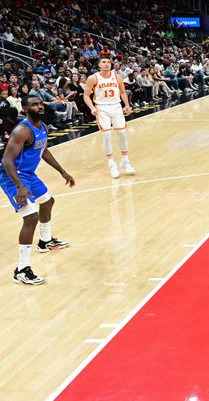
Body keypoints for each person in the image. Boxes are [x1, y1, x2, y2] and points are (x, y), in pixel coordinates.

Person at [1, 95, 75, 285]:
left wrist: (63, 171)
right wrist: (20, 186)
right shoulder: (21, 131)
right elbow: (6, 161)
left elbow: (44, 151)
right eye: (34, 104)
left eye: (40, 103)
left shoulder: (42, 126)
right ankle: (22, 269)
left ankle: (45, 241)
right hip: (12, 176)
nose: (40, 106)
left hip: (28, 174)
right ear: (25, 109)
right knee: (31, 216)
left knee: (48, 201)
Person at [83, 55, 135, 178]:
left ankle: (125, 161)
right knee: (106, 136)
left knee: (122, 134)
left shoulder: (117, 77)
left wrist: (127, 105)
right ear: (99, 65)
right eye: (104, 62)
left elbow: (122, 92)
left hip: (116, 107)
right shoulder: (93, 78)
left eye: (108, 62)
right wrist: (92, 108)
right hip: (102, 108)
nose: (106, 64)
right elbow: (86, 96)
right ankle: (111, 163)